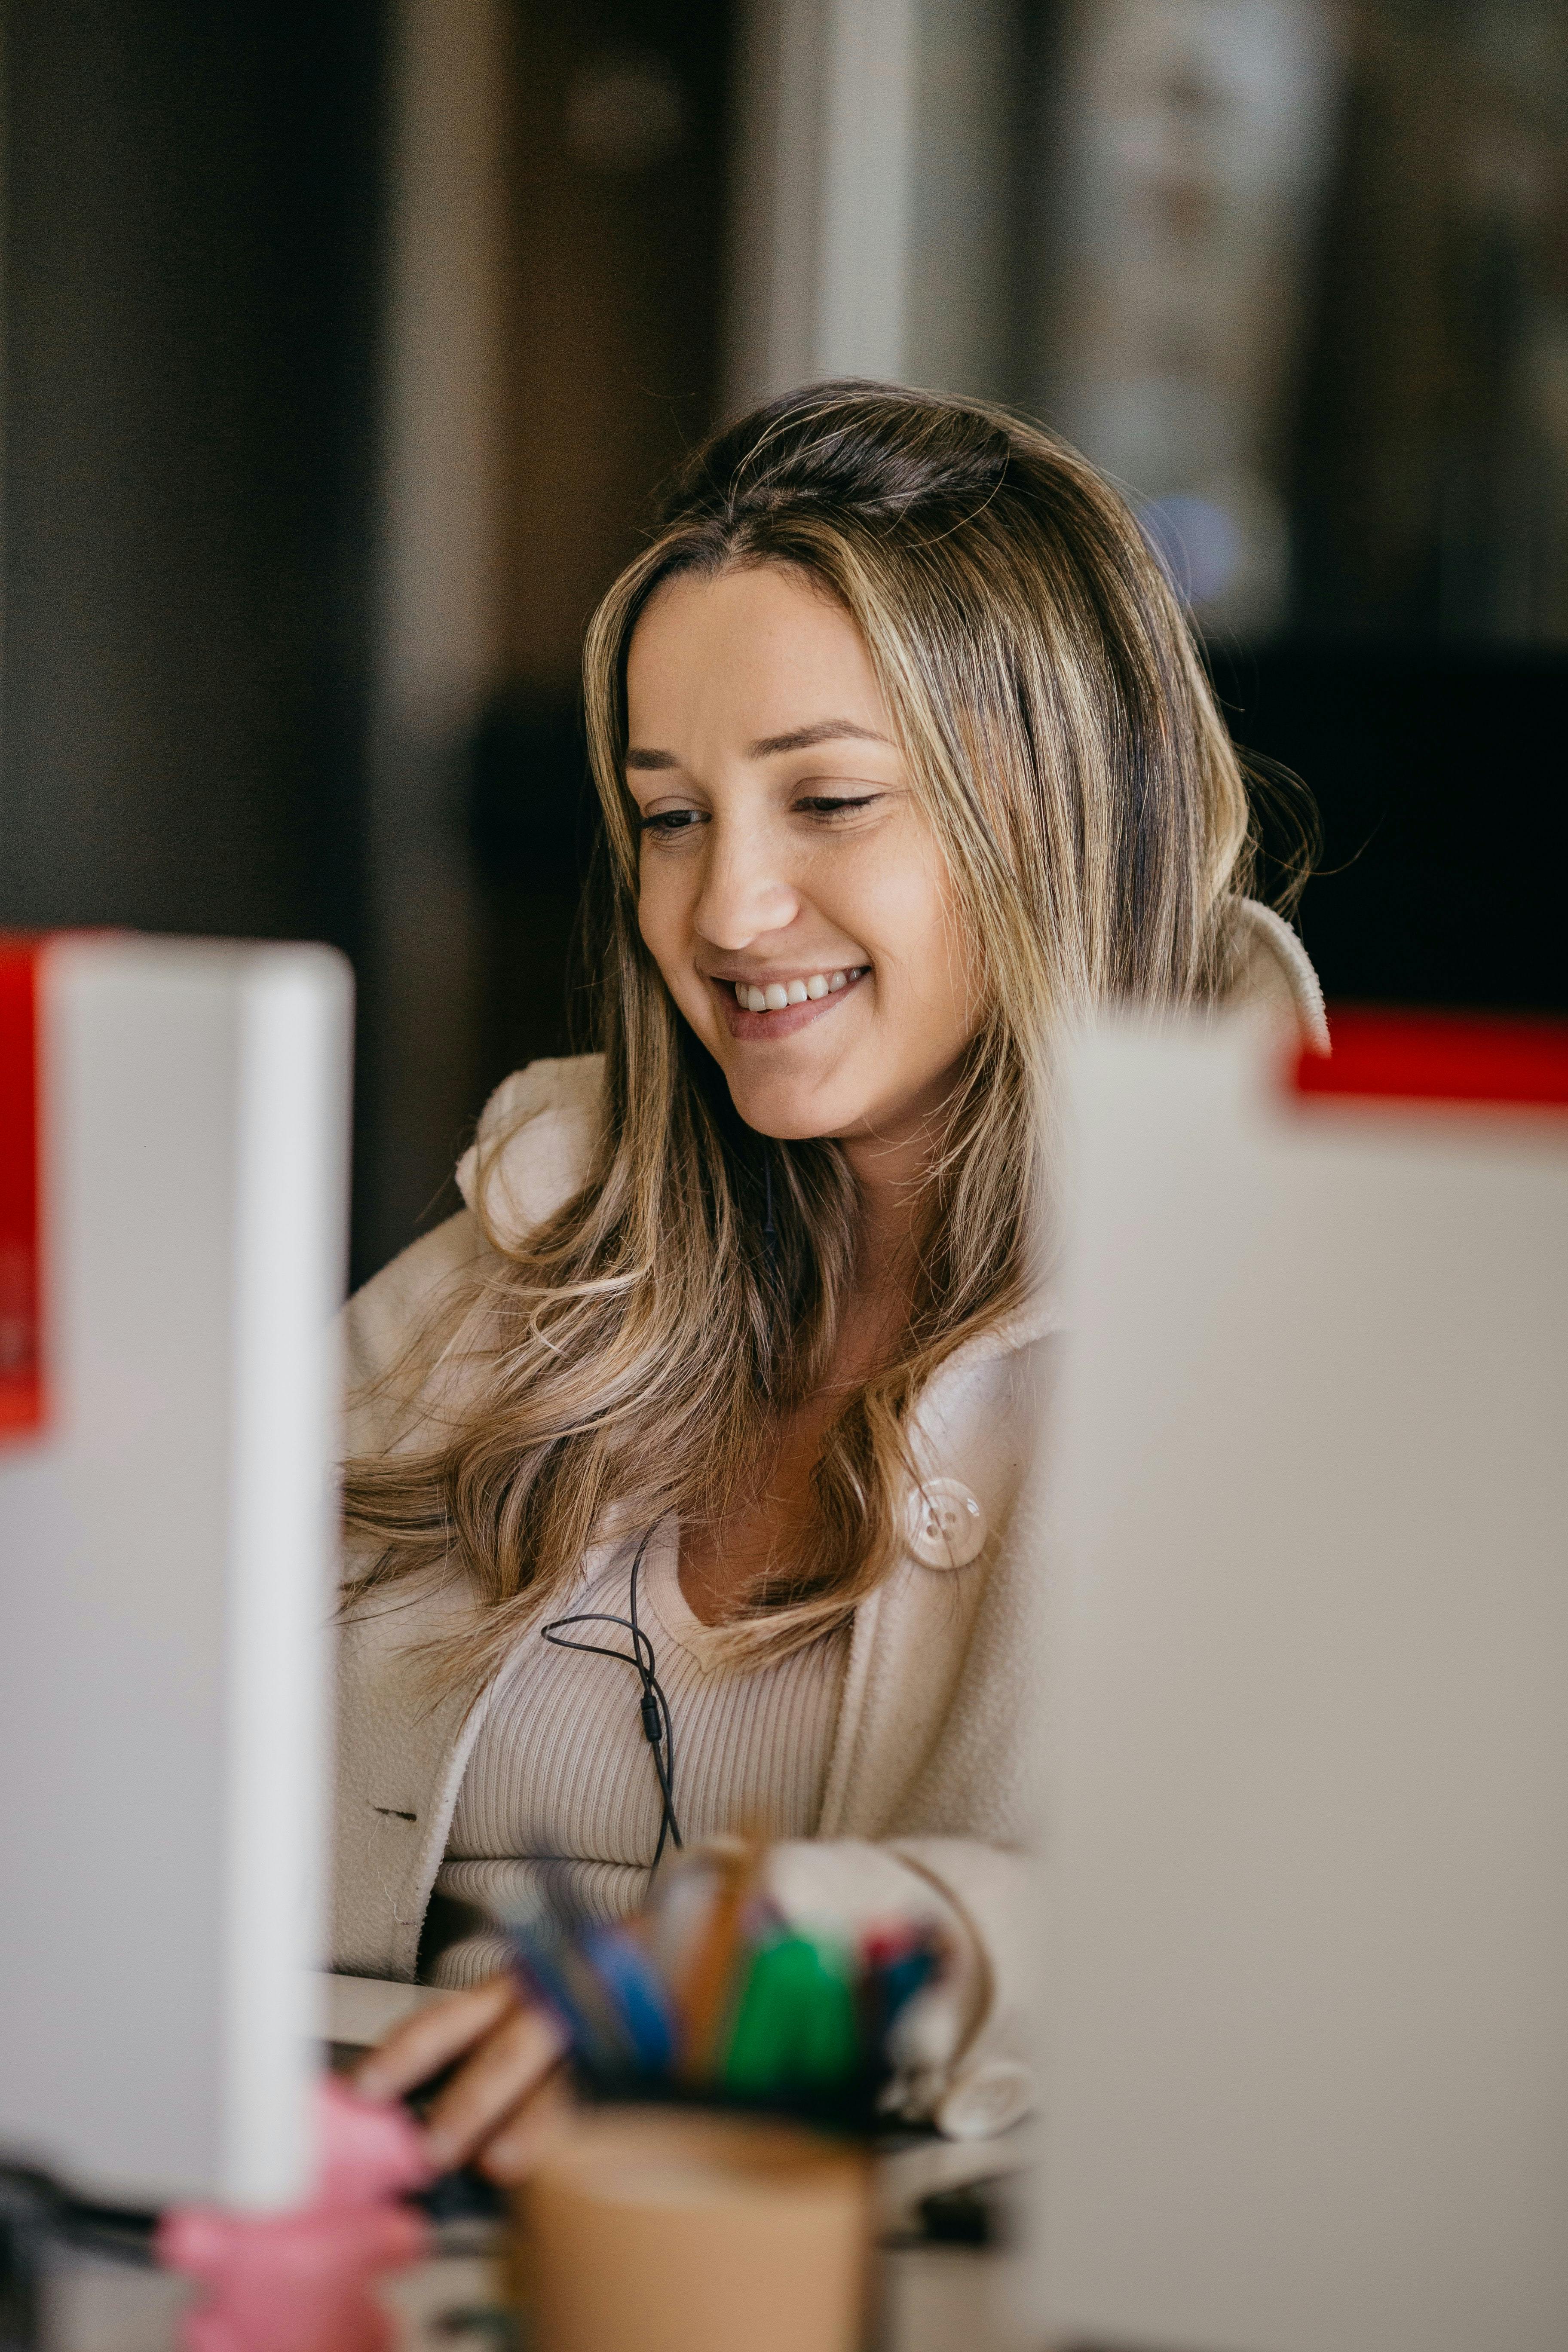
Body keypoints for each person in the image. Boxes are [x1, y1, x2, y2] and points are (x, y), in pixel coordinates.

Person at [336, 381, 1326, 2179]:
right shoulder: (520, 1252)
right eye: (671, 817)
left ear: (1057, 808)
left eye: (829, 800)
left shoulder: (1317, 1326)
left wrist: (780, 1979)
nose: (724, 913)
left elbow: (1335, 1937)